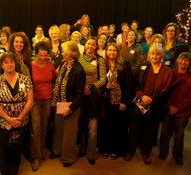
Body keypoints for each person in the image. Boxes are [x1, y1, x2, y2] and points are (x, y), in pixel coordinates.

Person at [124, 44, 173, 165]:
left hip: (155, 106)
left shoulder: (167, 71)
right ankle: (130, 151)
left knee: (149, 131)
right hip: (139, 104)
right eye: (152, 53)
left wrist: (152, 99)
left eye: (157, 54)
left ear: (162, 56)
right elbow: (134, 84)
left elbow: (166, 90)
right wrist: (142, 95)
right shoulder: (142, 67)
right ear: (149, 54)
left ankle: (146, 153)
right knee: (134, 129)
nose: (155, 56)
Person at [0, 52, 33, 175]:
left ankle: (14, 171)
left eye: (12, 62)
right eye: (6, 62)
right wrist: (9, 119)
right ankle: (5, 172)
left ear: (15, 63)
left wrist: (18, 119)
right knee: (3, 149)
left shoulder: (25, 79)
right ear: (2, 65)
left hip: (21, 121)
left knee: (17, 148)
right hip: (2, 122)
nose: (9, 64)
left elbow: (30, 102)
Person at [49, 41, 86, 167]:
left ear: (71, 54)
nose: (62, 53)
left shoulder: (79, 70)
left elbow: (80, 96)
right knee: (58, 130)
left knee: (69, 134)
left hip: (71, 106)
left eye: (64, 51)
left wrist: (70, 108)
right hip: (60, 102)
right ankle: (57, 151)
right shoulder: (64, 63)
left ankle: (68, 158)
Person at [97, 42, 133, 160]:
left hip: (120, 101)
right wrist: (105, 87)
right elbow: (99, 82)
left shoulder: (125, 64)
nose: (112, 52)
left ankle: (116, 150)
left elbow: (129, 84)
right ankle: (105, 149)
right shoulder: (103, 64)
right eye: (110, 50)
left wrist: (124, 102)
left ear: (118, 52)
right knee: (106, 126)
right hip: (106, 101)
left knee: (119, 126)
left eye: (114, 50)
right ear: (106, 52)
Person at [159, 52, 191, 166]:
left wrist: (179, 108)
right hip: (169, 108)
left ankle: (177, 156)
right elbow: (165, 91)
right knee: (165, 132)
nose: (184, 62)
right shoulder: (170, 73)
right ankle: (163, 153)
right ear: (177, 60)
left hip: (183, 112)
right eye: (181, 59)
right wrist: (169, 106)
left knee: (179, 135)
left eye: (187, 60)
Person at [78, 37, 107, 165]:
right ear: (85, 46)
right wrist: (83, 85)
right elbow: (77, 75)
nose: (90, 46)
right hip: (80, 96)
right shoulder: (78, 59)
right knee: (81, 125)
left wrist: (91, 87)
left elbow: (103, 79)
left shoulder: (100, 60)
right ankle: (82, 149)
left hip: (94, 97)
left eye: (93, 44)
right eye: (88, 44)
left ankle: (91, 153)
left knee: (93, 127)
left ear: (96, 46)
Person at [29, 42, 57, 171]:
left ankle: (40, 151)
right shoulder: (30, 65)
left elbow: (55, 77)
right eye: (40, 55)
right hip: (34, 100)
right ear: (35, 54)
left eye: (45, 55)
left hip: (47, 99)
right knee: (36, 127)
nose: (42, 58)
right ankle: (36, 157)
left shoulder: (50, 64)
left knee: (44, 127)